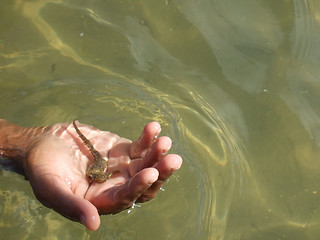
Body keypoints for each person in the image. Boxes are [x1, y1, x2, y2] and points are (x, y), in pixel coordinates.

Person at [0, 119, 182, 231]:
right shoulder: (95, 171)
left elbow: (109, 172)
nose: (93, 180)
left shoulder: (101, 171)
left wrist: (26, 142)